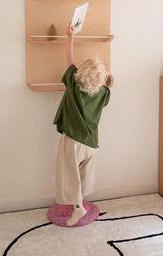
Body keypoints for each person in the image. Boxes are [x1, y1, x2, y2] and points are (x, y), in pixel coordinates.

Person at [53, 24, 113, 226]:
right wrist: (104, 76)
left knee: (69, 176)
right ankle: (82, 201)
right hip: (91, 143)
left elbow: (68, 60)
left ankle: (77, 208)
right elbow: (109, 82)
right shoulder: (103, 93)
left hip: (73, 141)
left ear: (80, 75)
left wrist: (71, 36)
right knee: (84, 176)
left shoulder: (73, 86)